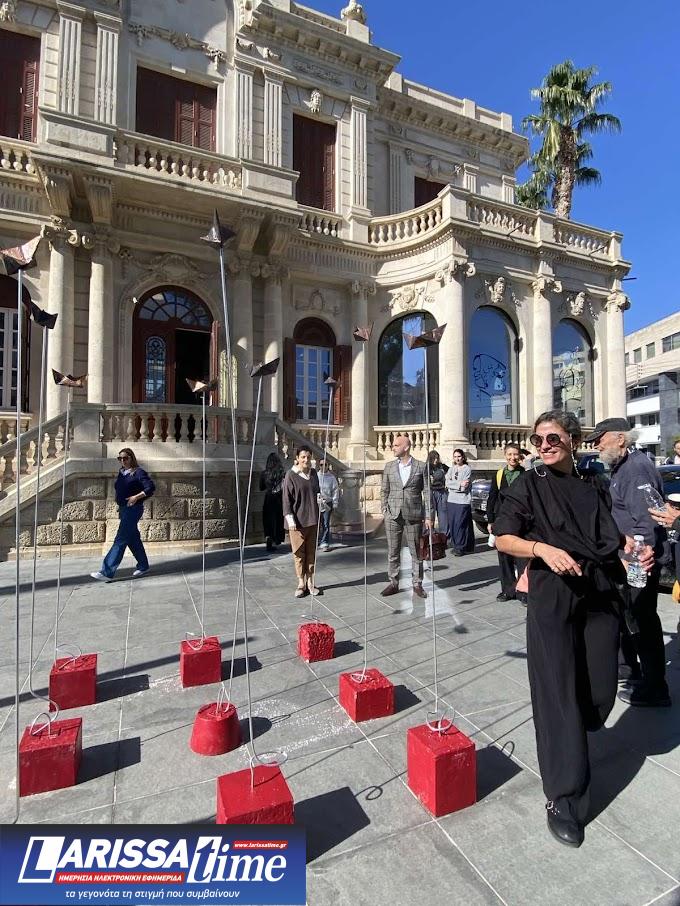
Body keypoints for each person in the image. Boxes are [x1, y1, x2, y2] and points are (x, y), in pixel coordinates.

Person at [494, 410, 653, 848]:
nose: (544, 446)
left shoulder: (593, 483)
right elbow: (502, 537)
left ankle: (574, 735)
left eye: (553, 438)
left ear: (573, 441)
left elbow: (610, 538)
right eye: (538, 440)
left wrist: (632, 552)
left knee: (599, 692)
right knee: (557, 694)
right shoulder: (529, 485)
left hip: (599, 593)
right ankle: (563, 797)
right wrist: (541, 549)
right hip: (553, 597)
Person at [587, 417, 671, 707]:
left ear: (620, 439)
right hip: (631, 557)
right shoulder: (623, 466)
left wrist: (633, 561)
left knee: (642, 621)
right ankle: (634, 671)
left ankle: (655, 688)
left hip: (640, 560)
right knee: (633, 617)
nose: (596, 446)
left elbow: (646, 522)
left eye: (600, 440)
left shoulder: (635, 469)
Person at [91, 448, 155, 581]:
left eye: (125, 458)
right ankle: (143, 565)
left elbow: (150, 488)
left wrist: (136, 497)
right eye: (120, 458)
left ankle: (107, 572)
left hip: (133, 509)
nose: (122, 461)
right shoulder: (122, 473)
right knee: (132, 538)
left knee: (120, 539)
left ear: (131, 458)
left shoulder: (138, 472)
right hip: (124, 509)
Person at [380, 433, 431, 598]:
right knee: (393, 551)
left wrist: (429, 516)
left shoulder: (421, 467)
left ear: (406, 447)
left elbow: (427, 492)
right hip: (392, 515)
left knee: (416, 552)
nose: (392, 447)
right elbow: (384, 490)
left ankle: (417, 584)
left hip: (413, 515)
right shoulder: (389, 467)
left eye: (396, 445)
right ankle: (393, 583)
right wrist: (384, 509)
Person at [487, 443, 526, 602]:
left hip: (521, 521)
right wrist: (490, 520)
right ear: (505, 455)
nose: (512, 458)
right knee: (504, 557)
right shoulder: (498, 475)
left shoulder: (526, 475)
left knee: (522, 558)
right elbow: (492, 498)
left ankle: (523, 591)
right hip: (502, 521)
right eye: (509, 454)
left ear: (520, 456)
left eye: (515, 454)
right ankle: (508, 590)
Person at [283, 446, 321, 598]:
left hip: (313, 519)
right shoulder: (291, 475)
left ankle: (310, 582)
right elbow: (286, 499)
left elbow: (317, 492)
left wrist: (321, 501)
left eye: (308, 457)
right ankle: (301, 583)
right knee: (299, 553)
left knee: (311, 552)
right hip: (297, 522)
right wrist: (289, 519)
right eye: (303, 457)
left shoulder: (313, 474)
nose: (306, 460)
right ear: (297, 458)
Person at [445, 449, 474, 557]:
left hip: (462, 501)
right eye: (455, 456)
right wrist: (458, 484)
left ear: (463, 457)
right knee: (452, 523)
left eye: (459, 456)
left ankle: (460, 547)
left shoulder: (467, 469)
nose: (457, 459)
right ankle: (456, 545)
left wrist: (454, 485)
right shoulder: (451, 469)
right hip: (451, 500)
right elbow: (447, 483)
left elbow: (464, 487)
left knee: (460, 524)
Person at [259, 452, 285, 552]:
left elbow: (261, 487)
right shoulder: (282, 473)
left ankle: (269, 538)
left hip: (268, 498)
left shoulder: (264, 473)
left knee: (268, 520)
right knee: (278, 519)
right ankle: (276, 539)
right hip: (279, 498)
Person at [318, 458, 340, 552]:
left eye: (325, 465)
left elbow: (335, 491)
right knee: (316, 523)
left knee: (325, 523)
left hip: (327, 503)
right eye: (321, 465)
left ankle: (324, 542)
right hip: (317, 502)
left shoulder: (332, 478)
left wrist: (335, 503)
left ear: (328, 466)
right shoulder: (316, 476)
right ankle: (316, 541)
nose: (323, 466)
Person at [427, 450, 449, 537]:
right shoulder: (427, 467)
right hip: (431, 492)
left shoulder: (442, 466)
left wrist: (448, 482)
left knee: (443, 514)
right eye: (434, 458)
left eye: (437, 458)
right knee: (430, 514)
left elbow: (451, 471)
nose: (436, 460)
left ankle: (444, 535)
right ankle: (430, 535)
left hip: (442, 492)